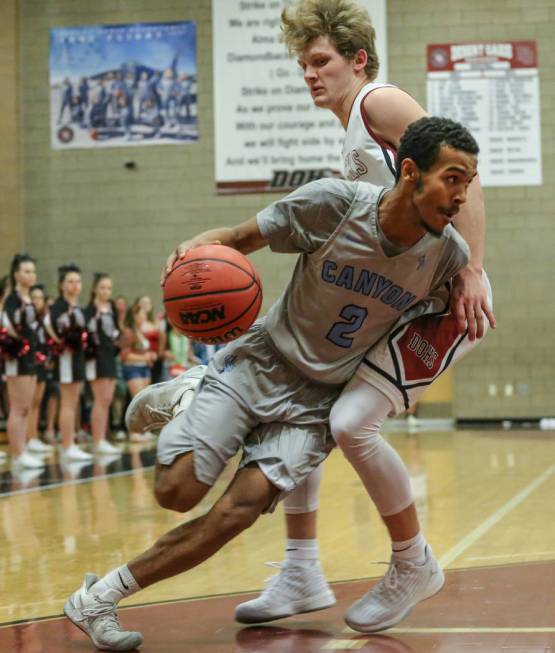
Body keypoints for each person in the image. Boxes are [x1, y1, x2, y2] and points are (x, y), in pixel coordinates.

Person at [65, 116, 478, 650]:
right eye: (452, 178)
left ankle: (98, 598)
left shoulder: (449, 257)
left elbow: (456, 314)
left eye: (468, 182)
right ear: (409, 172)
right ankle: (193, 389)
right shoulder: (334, 204)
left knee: (235, 514)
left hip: (315, 404)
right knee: (176, 492)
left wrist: (474, 278)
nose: (462, 195)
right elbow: (238, 239)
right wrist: (195, 249)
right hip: (260, 362)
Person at [233, 0, 495, 630]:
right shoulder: (352, 133)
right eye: (302, 64)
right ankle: (300, 569)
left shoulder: (379, 102)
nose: (309, 74)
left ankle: (413, 562)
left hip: (444, 302)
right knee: (305, 399)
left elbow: (462, 169)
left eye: (320, 60)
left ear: (358, 59)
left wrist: (473, 267)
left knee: (352, 421)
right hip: (399, 298)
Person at [0, 254, 48, 468]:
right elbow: (7, 325)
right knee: (17, 408)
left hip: (30, 356)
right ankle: (17, 454)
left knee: (26, 407)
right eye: (26, 271)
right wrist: (20, 343)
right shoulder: (12, 299)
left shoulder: (29, 299)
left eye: (33, 271)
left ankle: (23, 448)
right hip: (17, 357)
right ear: (17, 274)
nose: (31, 275)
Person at [47, 264, 92, 462]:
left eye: (78, 281)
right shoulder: (58, 307)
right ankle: (67, 447)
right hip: (66, 360)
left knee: (73, 403)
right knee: (67, 403)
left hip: (78, 359)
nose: (75, 285)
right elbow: (52, 331)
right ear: (61, 285)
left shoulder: (77, 307)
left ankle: (70, 444)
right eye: (70, 282)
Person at [84, 273, 121, 456]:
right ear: (94, 289)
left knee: (107, 400)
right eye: (102, 288)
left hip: (109, 355)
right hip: (95, 357)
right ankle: (97, 440)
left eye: (109, 288)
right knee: (100, 399)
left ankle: (103, 438)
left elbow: (114, 332)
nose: (106, 291)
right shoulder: (90, 310)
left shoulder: (111, 307)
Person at [120, 301, 158, 442]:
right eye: (142, 313)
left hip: (144, 368)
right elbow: (124, 355)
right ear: (134, 315)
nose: (144, 315)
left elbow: (143, 350)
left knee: (143, 402)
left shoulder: (140, 331)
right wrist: (144, 356)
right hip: (133, 368)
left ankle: (142, 430)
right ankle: (132, 432)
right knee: (136, 402)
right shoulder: (128, 332)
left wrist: (150, 356)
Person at [26, 284, 54, 454]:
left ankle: (34, 436)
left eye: (39, 298)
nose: (36, 301)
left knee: (37, 402)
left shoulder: (44, 321)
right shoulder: (27, 320)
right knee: (28, 403)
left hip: (42, 364)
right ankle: (28, 438)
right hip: (29, 364)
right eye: (33, 297)